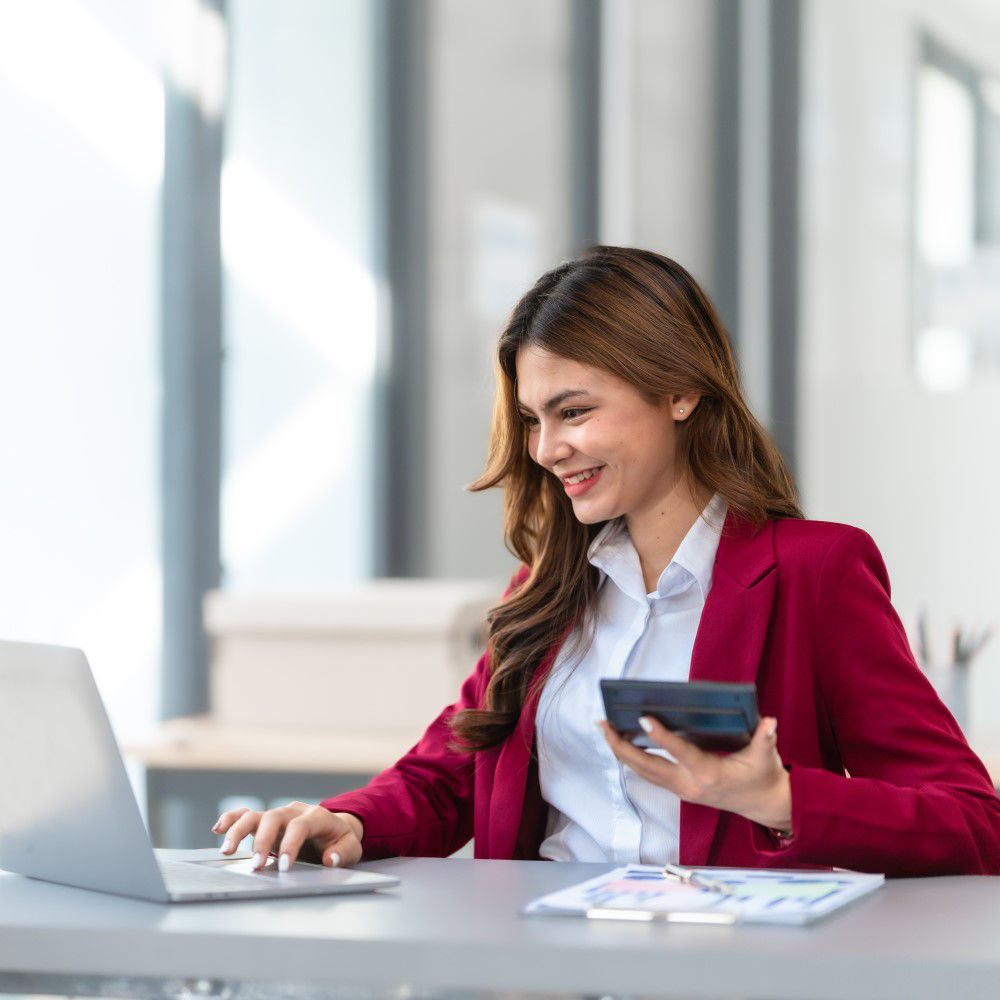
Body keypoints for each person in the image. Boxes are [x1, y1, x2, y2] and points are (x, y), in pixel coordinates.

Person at [213, 246, 1000, 877]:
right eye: (533, 419)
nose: (547, 449)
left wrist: (782, 798)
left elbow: (975, 822)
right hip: (546, 971)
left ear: (682, 391)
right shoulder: (546, 593)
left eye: (575, 411)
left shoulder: (815, 572)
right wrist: (347, 819)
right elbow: (445, 776)